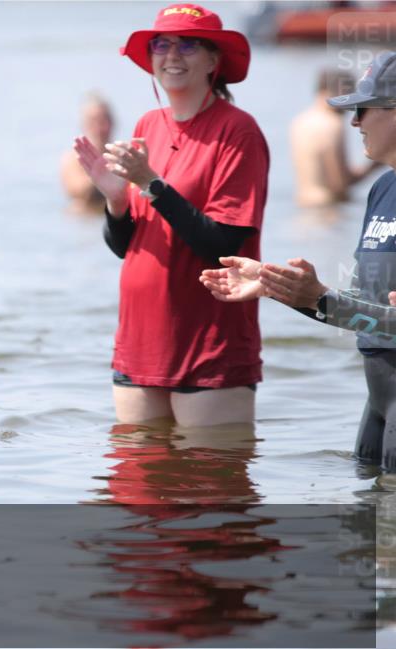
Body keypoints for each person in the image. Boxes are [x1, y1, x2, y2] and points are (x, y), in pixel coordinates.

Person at [73, 3, 269, 427]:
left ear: (214, 60)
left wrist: (151, 184)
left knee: (210, 486)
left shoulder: (238, 131)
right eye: (162, 44)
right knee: (137, 483)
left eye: (188, 45)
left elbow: (221, 245)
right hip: (139, 341)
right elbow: (127, 247)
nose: (172, 55)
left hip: (209, 343)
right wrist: (115, 199)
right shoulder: (149, 124)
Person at [201, 51, 396, 468]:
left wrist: (319, 296)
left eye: (362, 109)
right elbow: (365, 314)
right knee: (365, 526)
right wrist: (286, 291)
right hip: (379, 400)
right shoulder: (382, 190)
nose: (354, 122)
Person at [291, 68, 380, 207]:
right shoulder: (333, 125)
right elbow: (340, 185)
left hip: (303, 208)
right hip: (329, 210)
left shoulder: (300, 121)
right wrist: (375, 165)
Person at [60, 93, 115, 214]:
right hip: (85, 220)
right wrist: (103, 173)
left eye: (104, 120)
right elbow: (78, 191)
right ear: (84, 124)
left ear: (112, 123)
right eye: (93, 121)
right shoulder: (73, 159)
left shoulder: (123, 156)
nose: (99, 127)